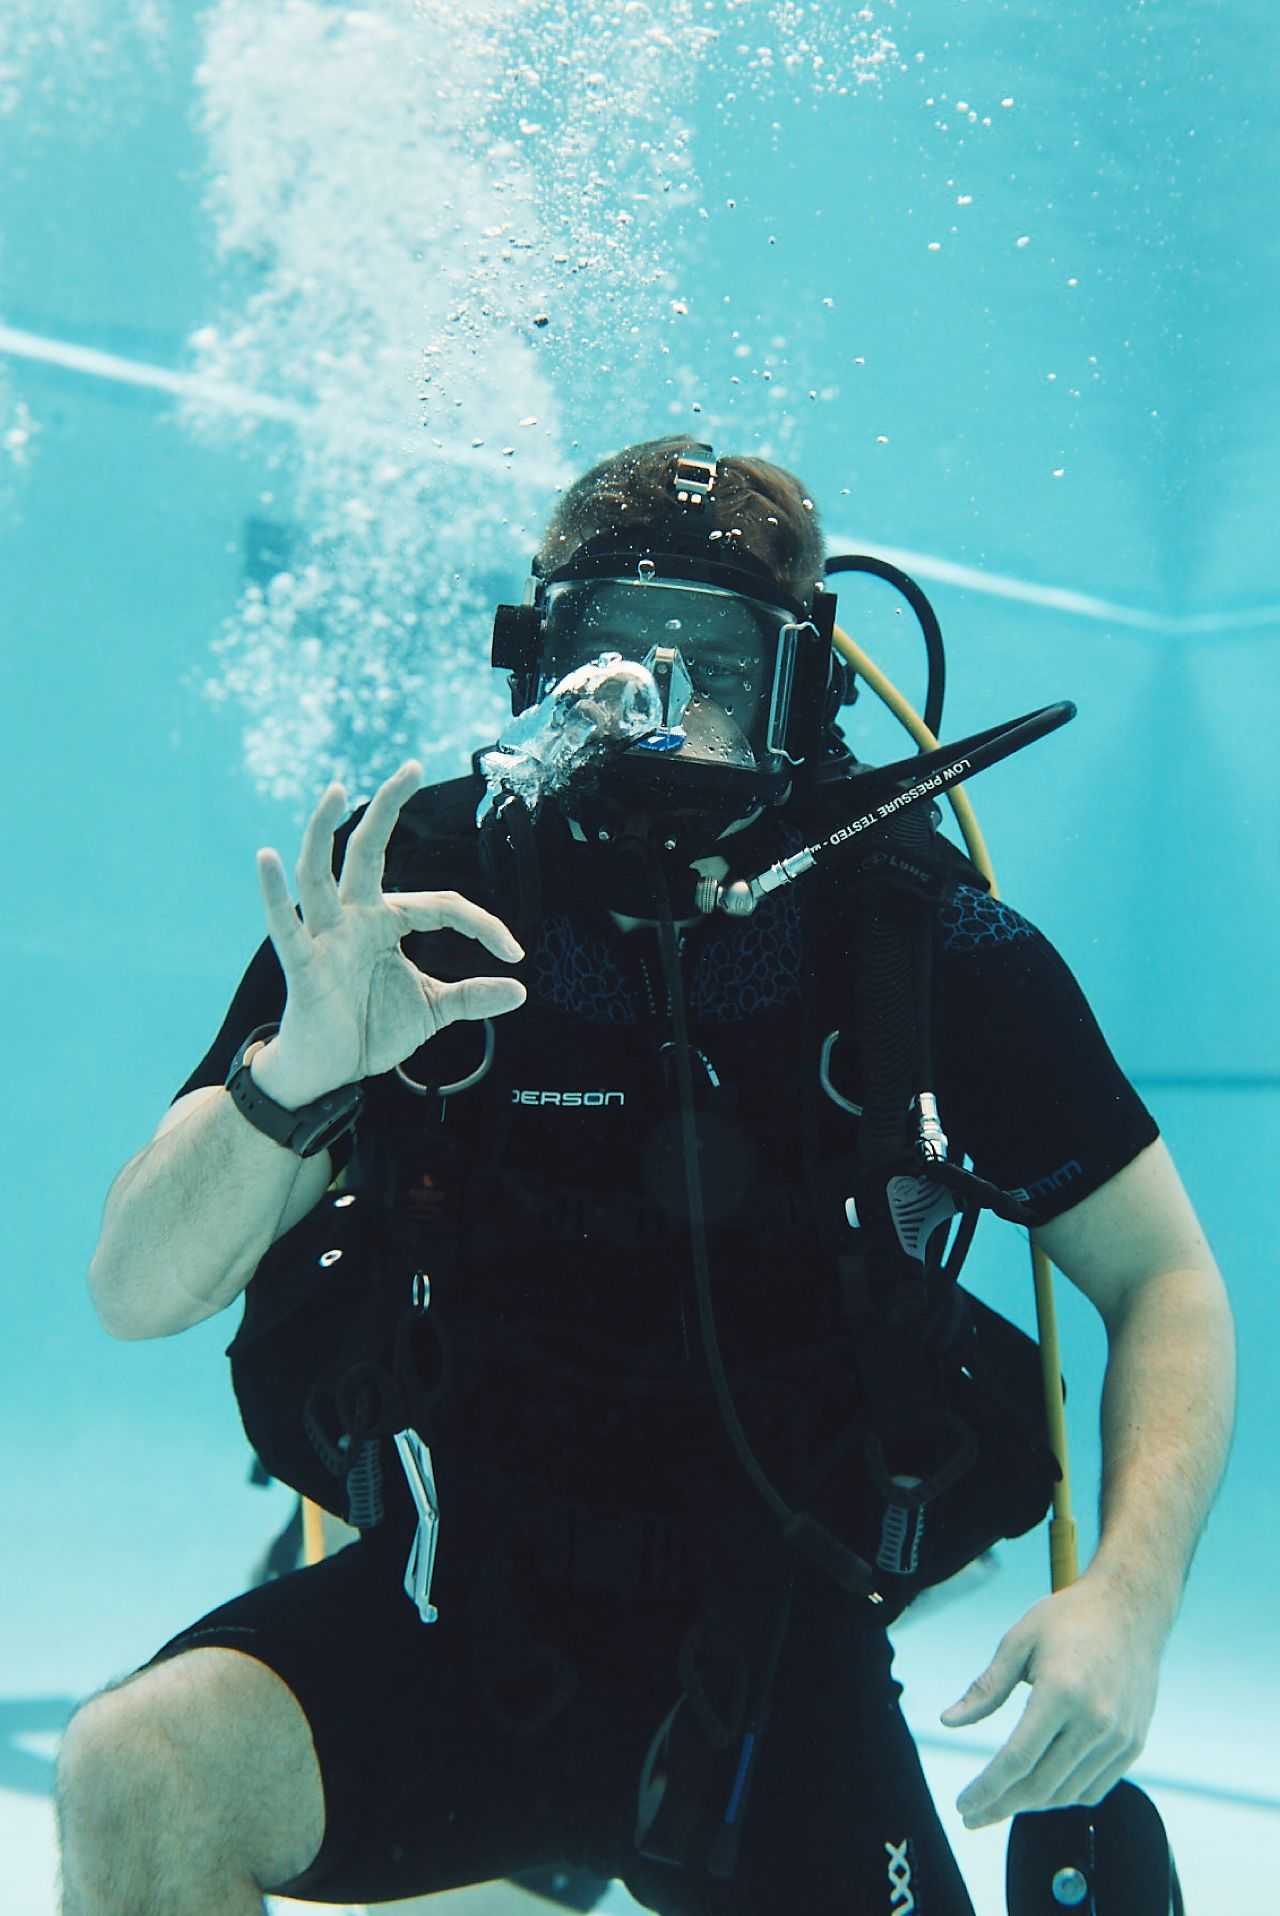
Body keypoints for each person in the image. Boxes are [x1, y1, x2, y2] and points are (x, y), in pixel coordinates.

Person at [58, 438, 1236, 1916]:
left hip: (774, 1667)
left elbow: (1165, 1279)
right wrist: (294, 1077)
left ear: (800, 685)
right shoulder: (414, 910)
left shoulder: (917, 943)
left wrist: (1128, 1606)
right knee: (134, 1772)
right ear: (535, 664)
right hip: (454, 1620)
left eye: (713, 667)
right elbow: (133, 1289)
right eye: (604, 658)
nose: (650, 714)